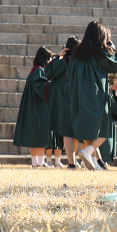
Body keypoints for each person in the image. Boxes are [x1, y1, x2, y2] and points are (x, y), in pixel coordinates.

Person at [51, 21, 117, 170]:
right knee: (105, 128)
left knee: (90, 131)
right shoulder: (100, 52)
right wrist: (110, 43)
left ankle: (95, 163)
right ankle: (88, 151)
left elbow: (70, 74)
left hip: (79, 97)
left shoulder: (77, 54)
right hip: (97, 95)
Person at [13, 47, 56, 167]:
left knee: (34, 135)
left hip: (31, 107)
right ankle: (40, 163)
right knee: (42, 134)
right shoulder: (40, 71)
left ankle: (35, 162)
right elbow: (42, 88)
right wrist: (54, 85)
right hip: (39, 107)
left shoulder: (33, 71)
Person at [45, 36, 80, 168]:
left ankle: (71, 162)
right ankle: (74, 160)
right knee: (75, 133)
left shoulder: (62, 62)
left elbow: (47, 72)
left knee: (67, 133)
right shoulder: (79, 62)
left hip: (63, 101)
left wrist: (56, 57)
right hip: (77, 100)